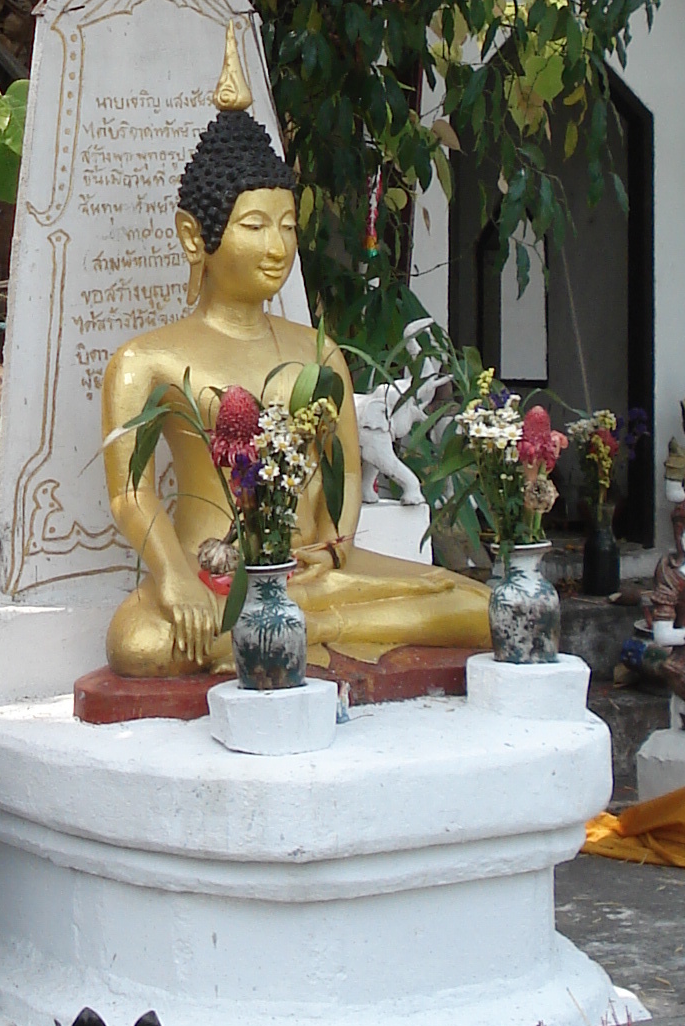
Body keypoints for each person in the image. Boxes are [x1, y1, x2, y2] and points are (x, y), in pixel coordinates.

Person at [99, 38, 488, 676]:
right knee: (140, 643)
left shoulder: (315, 349)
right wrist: (173, 578)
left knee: (480, 605)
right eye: (255, 226)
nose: (277, 245)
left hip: (314, 568)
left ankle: (306, 624)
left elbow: (347, 468)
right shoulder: (148, 360)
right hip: (215, 568)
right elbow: (130, 493)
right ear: (195, 235)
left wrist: (335, 547)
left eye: (286, 225)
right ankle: (306, 624)